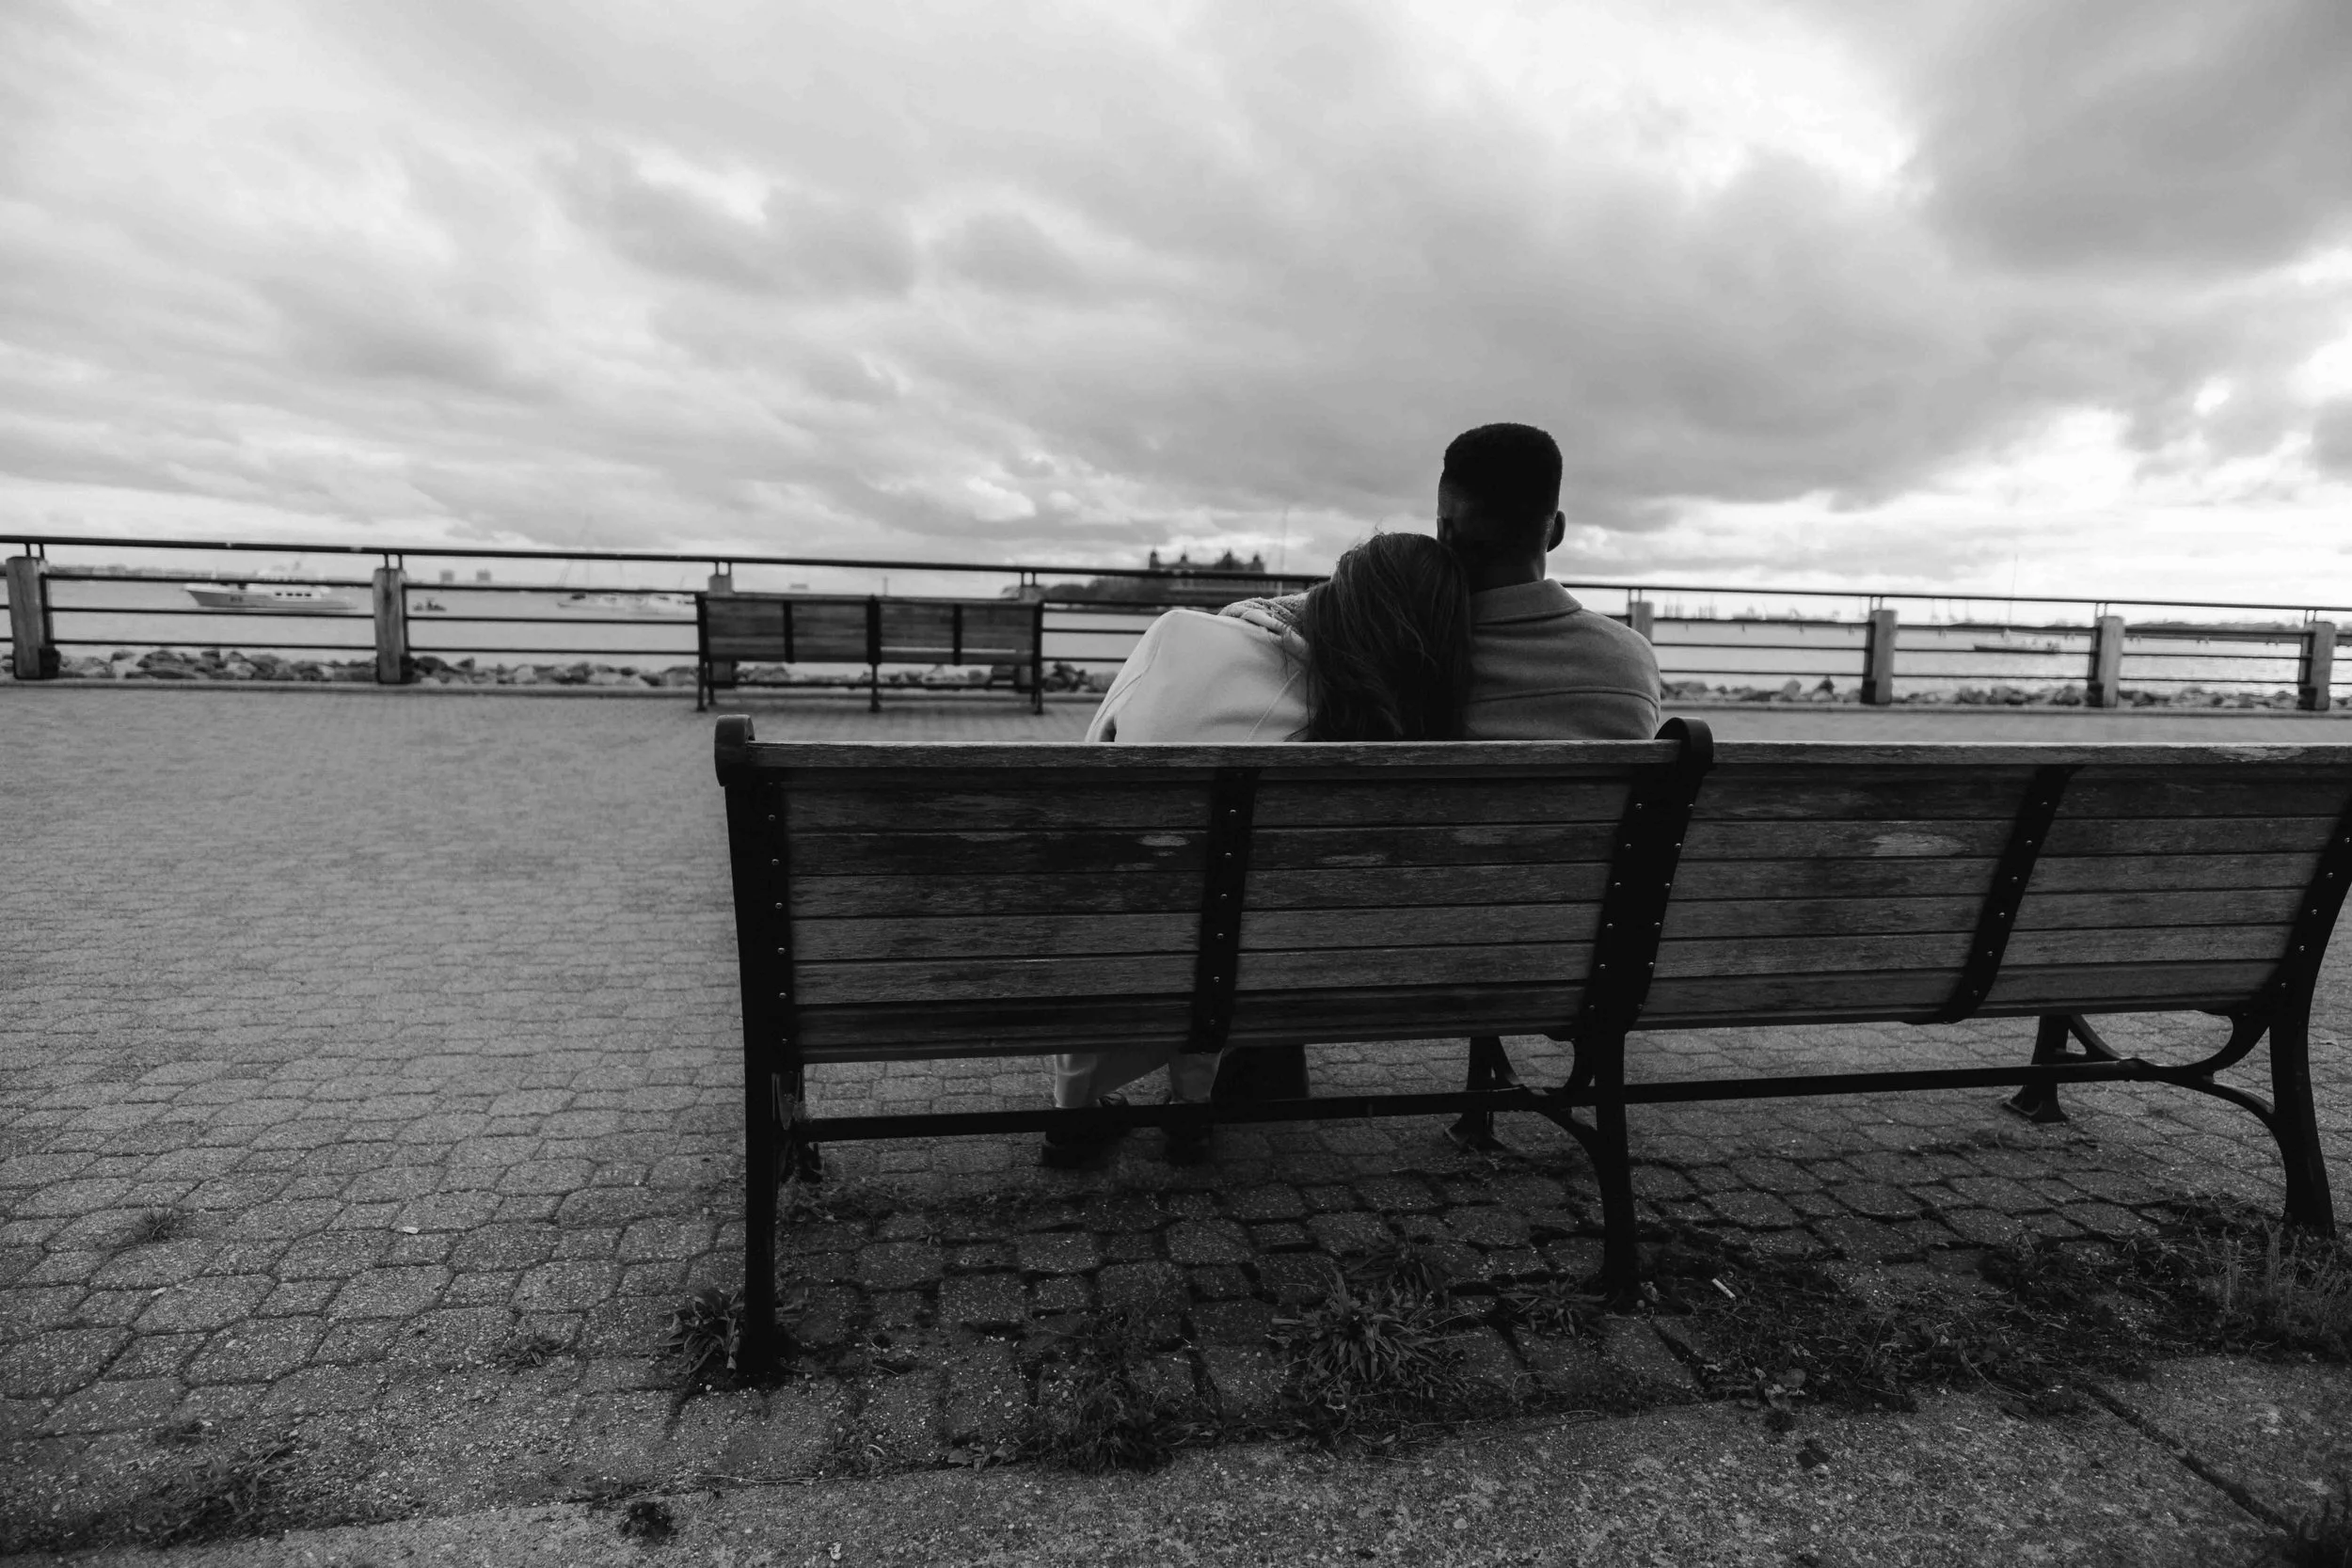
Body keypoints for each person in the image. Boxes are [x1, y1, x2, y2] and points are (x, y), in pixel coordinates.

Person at [1043, 531, 1475, 1167]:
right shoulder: (1352, 722)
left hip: (1104, 939)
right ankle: (1191, 1111)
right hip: (1245, 966)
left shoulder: (1176, 632)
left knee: (1122, 882)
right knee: (1227, 915)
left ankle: (1070, 1116)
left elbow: (1090, 772)